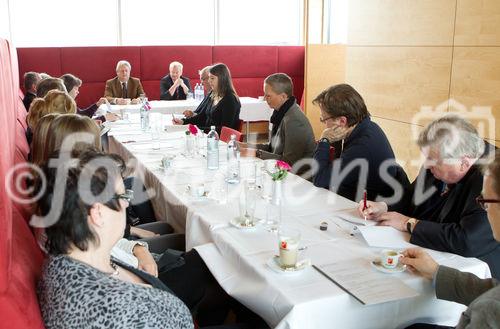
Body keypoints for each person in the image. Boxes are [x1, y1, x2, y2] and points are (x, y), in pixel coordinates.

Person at [35, 150, 193, 329]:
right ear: (98, 213)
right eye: (123, 197)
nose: (127, 204)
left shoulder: (70, 258)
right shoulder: (126, 313)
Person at [360, 115, 500, 278]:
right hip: (426, 251)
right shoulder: (440, 159)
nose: (426, 165)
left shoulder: (493, 176)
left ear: (463, 163)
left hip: (474, 271)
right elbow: (412, 195)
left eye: (433, 160)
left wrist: (409, 223)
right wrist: (383, 207)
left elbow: (468, 240)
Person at [401, 149, 500, 329]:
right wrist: (437, 272)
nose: (483, 208)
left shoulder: (490, 311)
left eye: (485, 200)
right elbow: (493, 289)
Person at [311, 83, 409, 201]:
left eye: (323, 119)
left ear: (342, 121)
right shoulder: (367, 126)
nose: (325, 125)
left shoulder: (361, 147)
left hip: (368, 210)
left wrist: (324, 140)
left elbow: (319, 179)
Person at [239, 73, 315, 167]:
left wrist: (256, 153)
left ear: (283, 96)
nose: (265, 99)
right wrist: (246, 146)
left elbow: (288, 163)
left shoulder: (295, 120)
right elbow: (272, 148)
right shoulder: (280, 112)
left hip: (299, 177)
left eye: (268, 96)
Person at [173, 63, 240, 134]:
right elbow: (202, 116)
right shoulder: (213, 94)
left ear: (222, 79)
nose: (209, 81)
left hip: (220, 141)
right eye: (209, 78)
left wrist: (196, 128)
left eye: (212, 78)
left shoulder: (230, 99)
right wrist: (183, 122)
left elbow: (224, 129)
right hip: (207, 136)